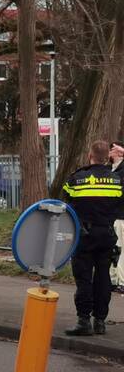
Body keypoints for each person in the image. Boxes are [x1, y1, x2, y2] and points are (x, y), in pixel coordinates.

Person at [62, 140, 124, 336]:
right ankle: (100, 322)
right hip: (107, 235)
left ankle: (83, 321)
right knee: (103, 277)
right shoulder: (117, 180)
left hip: (84, 236)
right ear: (107, 157)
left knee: (84, 279)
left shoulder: (77, 178)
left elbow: (65, 202)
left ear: (90, 155)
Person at [110, 140, 124, 293]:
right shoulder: (110, 169)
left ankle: (122, 281)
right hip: (112, 215)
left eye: (112, 150)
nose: (109, 153)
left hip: (121, 216)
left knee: (121, 249)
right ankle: (113, 279)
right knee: (114, 249)